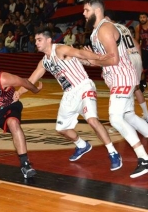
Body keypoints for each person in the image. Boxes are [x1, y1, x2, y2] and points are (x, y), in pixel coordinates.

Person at [83, 0, 148, 178]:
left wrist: (94, 60)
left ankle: (144, 158)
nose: (84, 14)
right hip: (122, 76)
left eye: (86, 10)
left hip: (122, 77)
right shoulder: (100, 29)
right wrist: (94, 60)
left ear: (97, 10)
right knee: (128, 115)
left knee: (115, 118)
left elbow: (113, 59)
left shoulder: (104, 29)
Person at [15, 28, 123, 171]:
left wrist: (98, 57)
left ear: (48, 40)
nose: (36, 43)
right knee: (61, 129)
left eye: (39, 40)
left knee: (91, 119)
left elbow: (79, 52)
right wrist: (20, 92)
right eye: (35, 40)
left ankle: (113, 153)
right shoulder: (44, 62)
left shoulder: (60, 49)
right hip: (69, 94)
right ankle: (82, 145)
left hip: (84, 86)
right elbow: (33, 78)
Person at [104, 10, 148, 123]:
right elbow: (136, 44)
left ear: (106, 18)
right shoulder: (124, 27)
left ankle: (123, 116)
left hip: (127, 58)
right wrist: (139, 62)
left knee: (122, 86)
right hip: (135, 56)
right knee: (135, 87)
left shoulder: (109, 28)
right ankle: (147, 115)